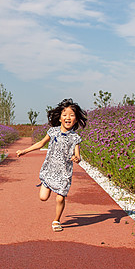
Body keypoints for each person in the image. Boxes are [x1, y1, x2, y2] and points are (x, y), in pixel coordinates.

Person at [16, 99, 88, 232]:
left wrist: (77, 158)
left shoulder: (75, 138)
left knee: (60, 198)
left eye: (72, 115)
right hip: (50, 170)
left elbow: (78, 155)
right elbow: (40, 144)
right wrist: (24, 151)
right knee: (43, 197)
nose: (68, 117)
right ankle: (46, 183)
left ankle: (56, 220)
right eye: (65, 115)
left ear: (76, 120)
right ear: (60, 118)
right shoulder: (53, 132)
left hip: (64, 173)